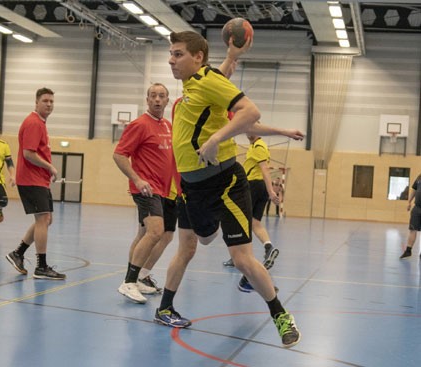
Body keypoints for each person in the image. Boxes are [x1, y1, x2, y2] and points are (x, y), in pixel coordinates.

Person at [153, 31, 303, 348]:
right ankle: (165, 307)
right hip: (191, 189)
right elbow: (222, 78)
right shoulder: (194, 86)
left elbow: (250, 113)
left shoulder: (207, 81)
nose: (170, 60)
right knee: (197, 243)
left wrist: (215, 140)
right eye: (170, 53)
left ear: (197, 57)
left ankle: (281, 316)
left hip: (225, 182)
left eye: (177, 54)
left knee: (242, 260)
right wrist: (232, 56)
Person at [113, 83, 177, 303]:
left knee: (149, 234)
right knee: (155, 231)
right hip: (146, 189)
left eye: (162, 96)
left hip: (164, 190)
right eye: (153, 96)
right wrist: (137, 180)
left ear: (167, 100)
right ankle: (129, 282)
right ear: (147, 100)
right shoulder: (139, 125)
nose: (157, 99)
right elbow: (119, 155)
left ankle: (138, 278)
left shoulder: (168, 125)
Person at [5, 87, 66, 280]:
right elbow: (28, 154)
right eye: (45, 101)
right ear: (36, 102)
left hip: (38, 179)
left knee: (46, 219)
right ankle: (41, 266)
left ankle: (18, 253)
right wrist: (50, 167)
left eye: (51, 101)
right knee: (42, 220)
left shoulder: (40, 123)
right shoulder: (33, 123)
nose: (49, 104)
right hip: (31, 179)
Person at [222, 135, 281, 294]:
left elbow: (264, 169)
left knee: (242, 222)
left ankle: (240, 258)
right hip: (258, 187)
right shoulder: (255, 146)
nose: (248, 131)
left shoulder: (259, 146)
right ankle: (268, 247)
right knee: (255, 222)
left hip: (253, 186)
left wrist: (270, 191)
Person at [399, 174, 421, 259]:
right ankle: (408, 251)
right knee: (412, 229)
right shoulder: (419, 177)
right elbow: (414, 189)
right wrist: (409, 202)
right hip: (417, 207)